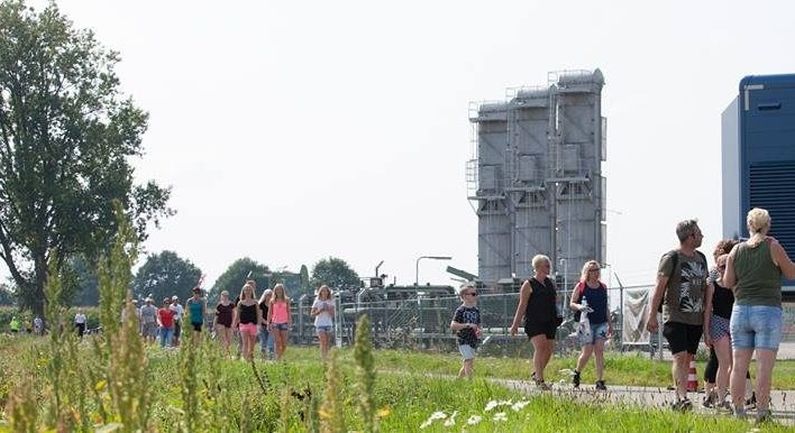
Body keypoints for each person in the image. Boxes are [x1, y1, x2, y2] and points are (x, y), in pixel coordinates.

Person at [722, 208, 795, 423]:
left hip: (740, 310)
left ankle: (738, 412)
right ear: (767, 225)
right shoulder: (773, 246)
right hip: (767, 311)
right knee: (764, 366)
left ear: (749, 226)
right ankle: (762, 413)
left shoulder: (736, 251)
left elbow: (727, 283)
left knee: (738, 365)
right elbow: (791, 273)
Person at [647, 219, 710, 411]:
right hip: (675, 316)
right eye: (698, 233)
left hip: (695, 317)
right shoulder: (671, 257)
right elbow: (660, 287)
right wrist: (651, 315)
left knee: (688, 356)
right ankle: (681, 397)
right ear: (690, 237)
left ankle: (680, 395)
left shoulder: (702, 258)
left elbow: (706, 288)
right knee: (679, 356)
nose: (702, 236)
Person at [509, 254, 561, 390]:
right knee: (541, 346)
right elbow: (522, 305)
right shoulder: (529, 284)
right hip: (534, 321)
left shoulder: (550, 283)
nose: (549, 268)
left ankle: (536, 373)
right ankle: (540, 380)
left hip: (550, 320)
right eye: (546, 265)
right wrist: (515, 324)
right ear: (538, 267)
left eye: (549, 265)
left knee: (549, 350)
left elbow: (555, 300)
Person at [702, 239, 740, 408]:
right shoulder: (712, 286)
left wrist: (732, 284)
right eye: (722, 266)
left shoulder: (736, 285)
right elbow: (708, 307)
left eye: (728, 265)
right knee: (723, 362)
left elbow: (740, 301)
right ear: (717, 267)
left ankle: (725, 394)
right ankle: (721, 399)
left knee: (735, 364)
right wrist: (706, 331)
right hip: (718, 322)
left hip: (734, 322)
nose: (725, 269)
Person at [569, 260, 612, 391]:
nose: (595, 273)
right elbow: (572, 303)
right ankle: (577, 372)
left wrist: (610, 324)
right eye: (592, 270)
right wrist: (580, 307)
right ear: (587, 272)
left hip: (601, 323)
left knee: (599, 351)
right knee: (587, 352)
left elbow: (606, 307)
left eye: (597, 270)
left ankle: (599, 380)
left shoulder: (603, 287)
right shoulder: (581, 286)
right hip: (586, 323)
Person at [450, 283, 481, 379]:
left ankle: (458, 380)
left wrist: (479, 330)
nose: (475, 296)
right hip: (463, 339)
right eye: (472, 294)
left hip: (473, 339)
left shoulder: (476, 310)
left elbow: (478, 324)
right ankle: (470, 381)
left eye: (475, 294)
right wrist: (467, 325)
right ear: (464, 296)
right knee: (468, 360)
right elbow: (453, 325)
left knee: (469, 362)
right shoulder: (460, 310)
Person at [232, 282, 261, 361]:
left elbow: (258, 315)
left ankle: (250, 358)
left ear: (252, 291)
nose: (247, 291)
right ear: (243, 291)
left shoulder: (255, 303)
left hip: (253, 324)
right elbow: (237, 316)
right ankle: (245, 359)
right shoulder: (240, 303)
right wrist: (234, 325)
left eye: (249, 290)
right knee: (245, 343)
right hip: (243, 325)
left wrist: (258, 326)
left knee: (252, 344)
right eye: (246, 290)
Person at [311, 285, 336, 361]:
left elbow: (333, 314)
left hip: (328, 323)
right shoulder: (317, 301)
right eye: (323, 291)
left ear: (328, 292)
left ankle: (327, 357)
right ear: (320, 292)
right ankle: (323, 358)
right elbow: (312, 314)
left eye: (326, 291)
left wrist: (328, 308)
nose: (324, 292)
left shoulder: (331, 301)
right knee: (323, 341)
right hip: (319, 323)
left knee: (328, 342)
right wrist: (320, 310)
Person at [267, 283, 291, 361]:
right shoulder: (272, 301)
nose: (279, 291)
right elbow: (270, 312)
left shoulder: (286, 300)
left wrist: (290, 321)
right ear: (275, 291)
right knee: (277, 341)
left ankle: (281, 355)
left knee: (284, 342)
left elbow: (288, 311)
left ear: (282, 290)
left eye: (280, 289)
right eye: (277, 289)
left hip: (284, 322)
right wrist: (268, 323)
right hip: (275, 322)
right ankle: (278, 358)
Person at [258, 288, 274, 359]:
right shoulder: (261, 305)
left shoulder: (273, 304)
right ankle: (263, 358)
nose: (269, 297)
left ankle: (271, 357)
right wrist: (267, 323)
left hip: (272, 326)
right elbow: (260, 316)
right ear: (265, 296)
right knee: (263, 342)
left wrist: (271, 324)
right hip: (263, 326)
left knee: (270, 342)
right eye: (268, 295)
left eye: (270, 295)